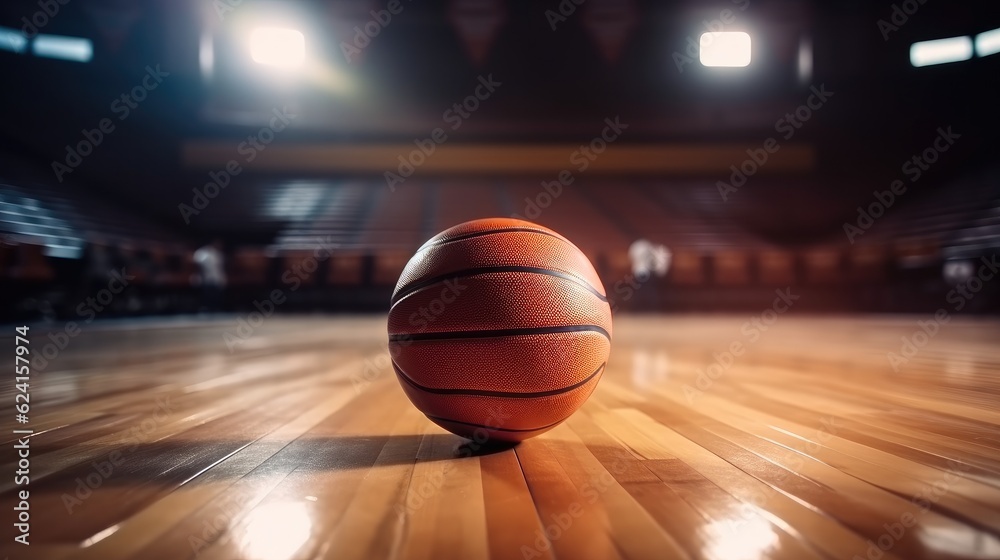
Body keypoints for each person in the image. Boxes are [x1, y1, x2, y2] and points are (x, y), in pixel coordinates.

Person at [194, 239, 226, 312]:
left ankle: (215, 308)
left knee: (217, 295)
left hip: (216, 278)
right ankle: (207, 308)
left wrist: (222, 279)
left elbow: (220, 268)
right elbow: (197, 265)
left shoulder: (218, 254)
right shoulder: (202, 253)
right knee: (207, 294)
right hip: (205, 279)